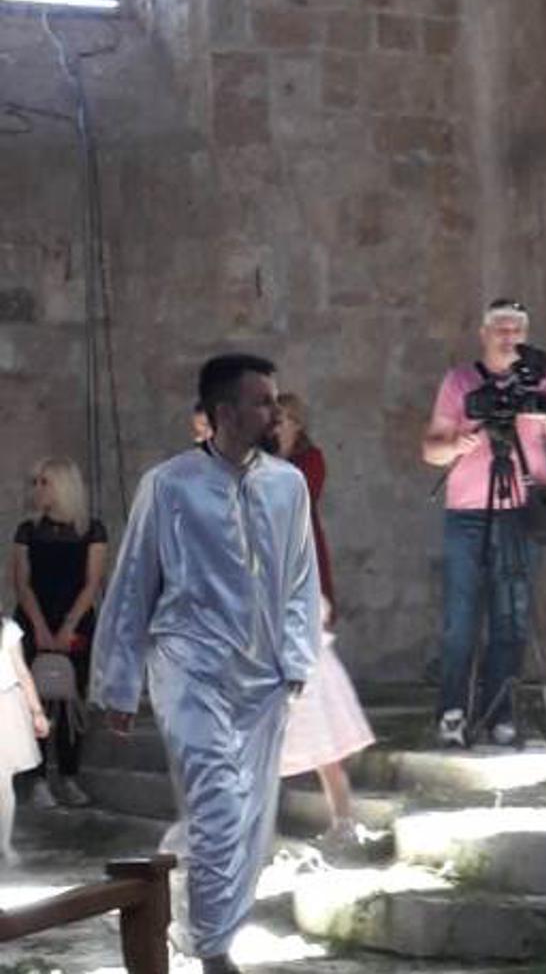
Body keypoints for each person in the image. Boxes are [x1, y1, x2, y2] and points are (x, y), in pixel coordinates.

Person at [92, 353, 322, 974]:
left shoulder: (287, 485)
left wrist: (296, 658)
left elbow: (300, 579)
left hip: (264, 680)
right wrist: (119, 685)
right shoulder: (169, 486)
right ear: (225, 411)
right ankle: (214, 950)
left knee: (249, 820)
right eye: (262, 402)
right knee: (219, 803)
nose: (274, 413)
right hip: (189, 669)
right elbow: (134, 581)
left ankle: (186, 916)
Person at [421, 298, 546, 749]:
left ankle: (501, 712)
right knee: (461, 618)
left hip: (522, 511)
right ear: (484, 334)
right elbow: (430, 450)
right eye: (501, 329)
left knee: (511, 618)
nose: (509, 337)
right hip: (469, 513)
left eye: (517, 330)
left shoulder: (542, 382)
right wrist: (458, 442)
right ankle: (453, 711)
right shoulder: (460, 381)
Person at [272, 393, 376, 849]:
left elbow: (295, 498)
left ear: (297, 423)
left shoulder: (306, 461)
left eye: (284, 419)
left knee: (318, 718)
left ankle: (343, 819)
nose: (276, 426)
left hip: (301, 579)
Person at [11, 457, 107, 808]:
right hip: (34, 620)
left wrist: (68, 626)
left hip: (75, 621)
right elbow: (22, 583)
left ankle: (69, 776)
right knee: (33, 699)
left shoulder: (91, 530)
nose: (37, 489)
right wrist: (39, 627)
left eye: (44, 482)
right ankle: (37, 779)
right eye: (35, 482)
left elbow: (92, 583)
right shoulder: (28, 530)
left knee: (71, 701)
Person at [0, 614, 51, 866]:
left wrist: (37, 712)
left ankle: (4, 844)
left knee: (2, 782)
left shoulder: (7, 628)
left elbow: (22, 672)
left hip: (5, 705)